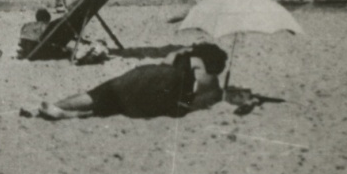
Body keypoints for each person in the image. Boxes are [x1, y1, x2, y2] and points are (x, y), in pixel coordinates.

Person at [30, 42, 228, 120]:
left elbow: (165, 64)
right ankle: (68, 115)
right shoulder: (207, 73)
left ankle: (57, 106)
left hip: (147, 73)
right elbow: (198, 97)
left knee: (99, 94)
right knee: (113, 108)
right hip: (162, 92)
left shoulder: (182, 54)